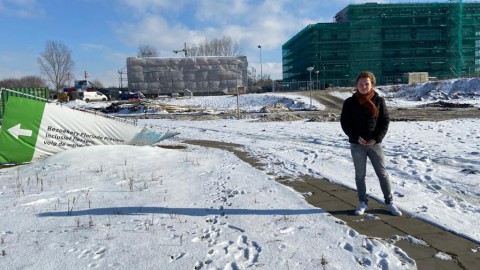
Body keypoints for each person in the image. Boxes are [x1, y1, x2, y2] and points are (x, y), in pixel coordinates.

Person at [340, 71, 402, 216]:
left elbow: (384, 121)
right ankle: (363, 203)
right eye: (360, 84)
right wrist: (356, 137)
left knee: (382, 174)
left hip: (375, 144)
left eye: (366, 84)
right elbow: (345, 123)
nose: (363, 86)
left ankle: (389, 202)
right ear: (356, 85)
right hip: (357, 145)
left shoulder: (379, 100)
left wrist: (376, 138)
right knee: (360, 175)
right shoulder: (349, 102)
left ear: (371, 84)